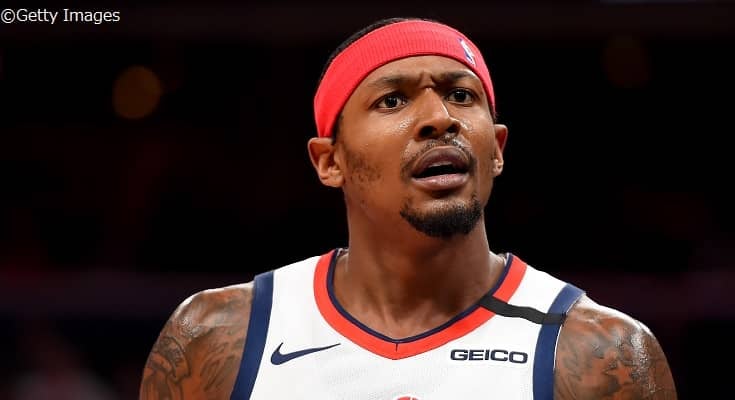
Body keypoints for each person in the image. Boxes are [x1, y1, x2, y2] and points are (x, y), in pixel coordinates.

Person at [139, 17, 677, 400]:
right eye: (392, 100)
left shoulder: (601, 356)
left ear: (497, 150)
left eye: (461, 95)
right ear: (330, 161)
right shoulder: (217, 338)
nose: (440, 118)